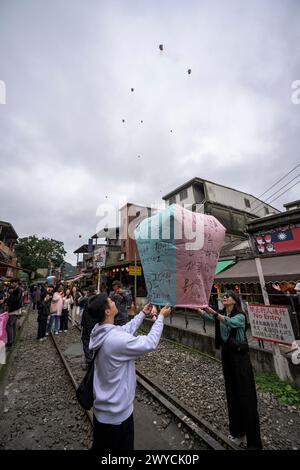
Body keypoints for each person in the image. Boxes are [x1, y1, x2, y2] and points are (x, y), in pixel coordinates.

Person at [88, 293, 171, 451]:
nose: (114, 301)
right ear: (107, 311)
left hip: (103, 411)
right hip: (117, 416)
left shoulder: (99, 330)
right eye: (110, 301)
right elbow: (149, 343)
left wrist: (143, 314)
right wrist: (160, 318)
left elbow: (125, 329)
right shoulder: (114, 340)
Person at [198, 290, 262, 450]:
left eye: (228, 295)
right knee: (232, 394)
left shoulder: (240, 316)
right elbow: (210, 318)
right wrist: (198, 308)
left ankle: (254, 443)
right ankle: (237, 432)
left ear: (235, 300)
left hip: (240, 359)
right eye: (223, 295)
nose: (224, 297)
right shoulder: (220, 313)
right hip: (227, 357)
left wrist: (211, 311)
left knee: (246, 397)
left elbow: (228, 321)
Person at [80, 286, 98, 369]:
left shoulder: (87, 299)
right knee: (94, 341)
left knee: (86, 341)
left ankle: (89, 361)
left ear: (88, 291)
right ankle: (93, 359)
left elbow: (80, 302)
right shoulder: (98, 299)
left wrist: (85, 295)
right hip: (96, 324)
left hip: (87, 324)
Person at [5, 278, 23, 349]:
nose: (11, 284)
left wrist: (5, 300)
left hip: (14, 310)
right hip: (16, 309)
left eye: (12, 283)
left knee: (9, 325)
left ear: (16, 283)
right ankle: (13, 340)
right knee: (13, 325)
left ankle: (10, 342)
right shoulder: (17, 290)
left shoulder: (18, 290)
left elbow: (14, 299)